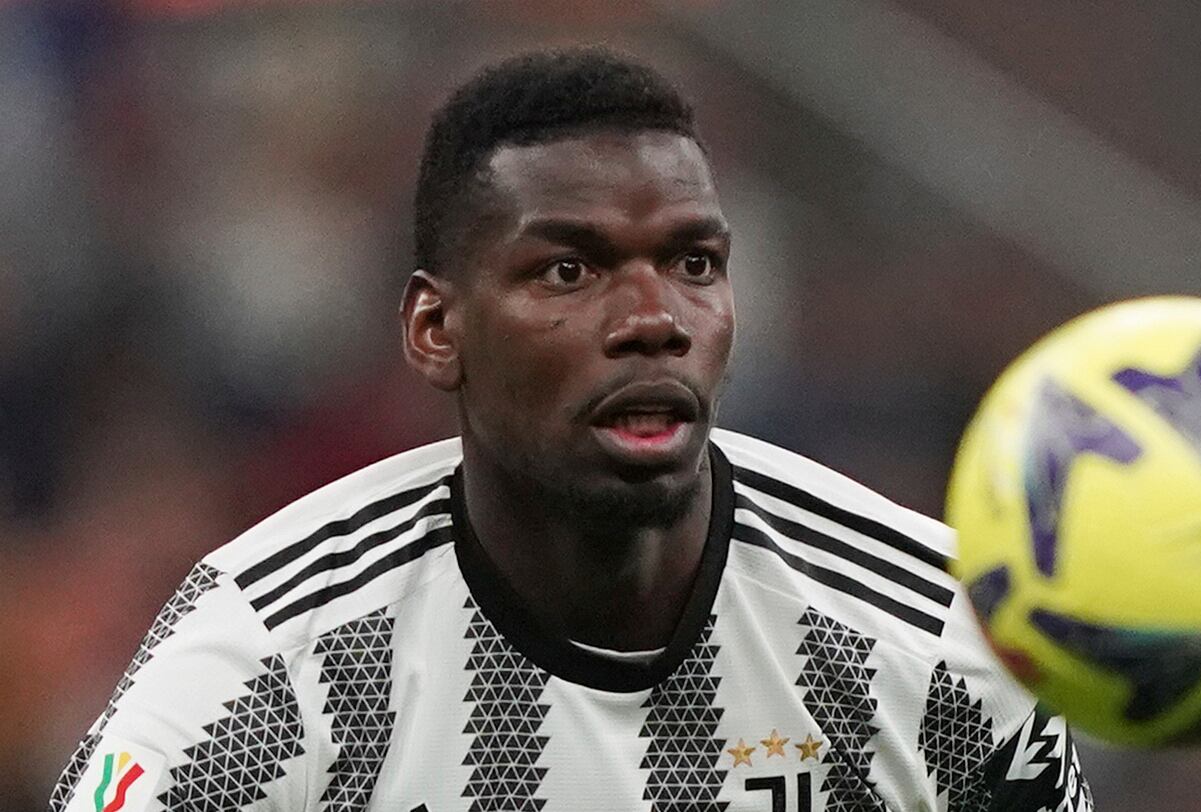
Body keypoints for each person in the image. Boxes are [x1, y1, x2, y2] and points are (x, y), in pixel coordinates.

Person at [51, 48, 1093, 812]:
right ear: (435, 328)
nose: (654, 318)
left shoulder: (932, 641)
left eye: (693, 263)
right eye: (569, 269)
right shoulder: (277, 657)